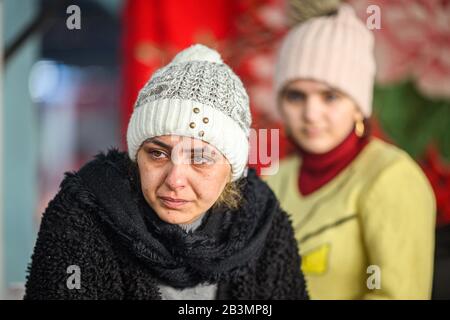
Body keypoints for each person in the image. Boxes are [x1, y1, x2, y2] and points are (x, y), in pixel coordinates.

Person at [24, 44, 309, 300]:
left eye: (200, 159)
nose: (174, 180)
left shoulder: (262, 223)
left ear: (232, 171)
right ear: (137, 157)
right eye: (158, 154)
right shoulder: (84, 213)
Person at [264, 3, 436, 299]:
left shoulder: (390, 177)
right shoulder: (275, 179)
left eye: (330, 96)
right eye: (296, 96)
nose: (311, 114)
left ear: (359, 105)